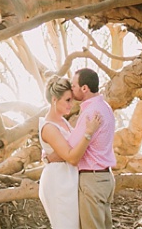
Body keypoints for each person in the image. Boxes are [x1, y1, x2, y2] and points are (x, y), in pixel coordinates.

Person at [38, 75, 102, 229]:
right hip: (58, 183)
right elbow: (72, 158)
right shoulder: (49, 127)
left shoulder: (62, 121)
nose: (71, 104)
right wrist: (89, 133)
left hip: (69, 181)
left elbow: (70, 149)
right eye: (67, 100)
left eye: (72, 100)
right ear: (54, 100)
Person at [67, 68, 117, 229]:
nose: (72, 89)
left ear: (84, 88)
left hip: (92, 180)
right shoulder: (105, 107)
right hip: (105, 179)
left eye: (74, 86)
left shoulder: (91, 112)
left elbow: (71, 148)